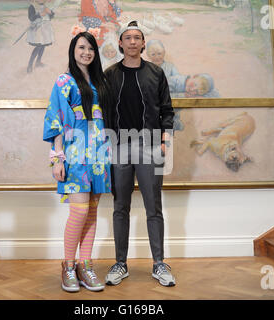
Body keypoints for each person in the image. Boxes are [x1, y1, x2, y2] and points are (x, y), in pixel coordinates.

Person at [103, 21, 176, 287]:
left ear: (143, 44)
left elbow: (167, 111)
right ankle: (120, 264)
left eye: (137, 38)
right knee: (120, 207)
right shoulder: (109, 75)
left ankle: (159, 264)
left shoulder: (156, 73)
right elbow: (102, 112)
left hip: (150, 146)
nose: (133, 42)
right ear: (120, 43)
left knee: (153, 207)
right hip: (119, 146)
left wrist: (165, 141)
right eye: (128, 38)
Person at [43, 31, 113, 292]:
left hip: (99, 154)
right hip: (74, 153)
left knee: (92, 212)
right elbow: (56, 119)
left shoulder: (100, 82)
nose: (86, 52)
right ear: (73, 50)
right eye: (81, 47)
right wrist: (57, 159)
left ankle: (86, 265)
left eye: (91, 48)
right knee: (79, 211)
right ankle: (69, 266)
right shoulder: (64, 81)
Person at [26, 0, 55, 73]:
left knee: (43, 45)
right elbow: (31, 18)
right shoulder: (32, 6)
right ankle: (30, 65)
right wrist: (40, 14)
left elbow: (51, 16)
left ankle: (38, 62)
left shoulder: (45, 6)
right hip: (37, 30)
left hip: (45, 29)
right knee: (38, 46)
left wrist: (50, 13)